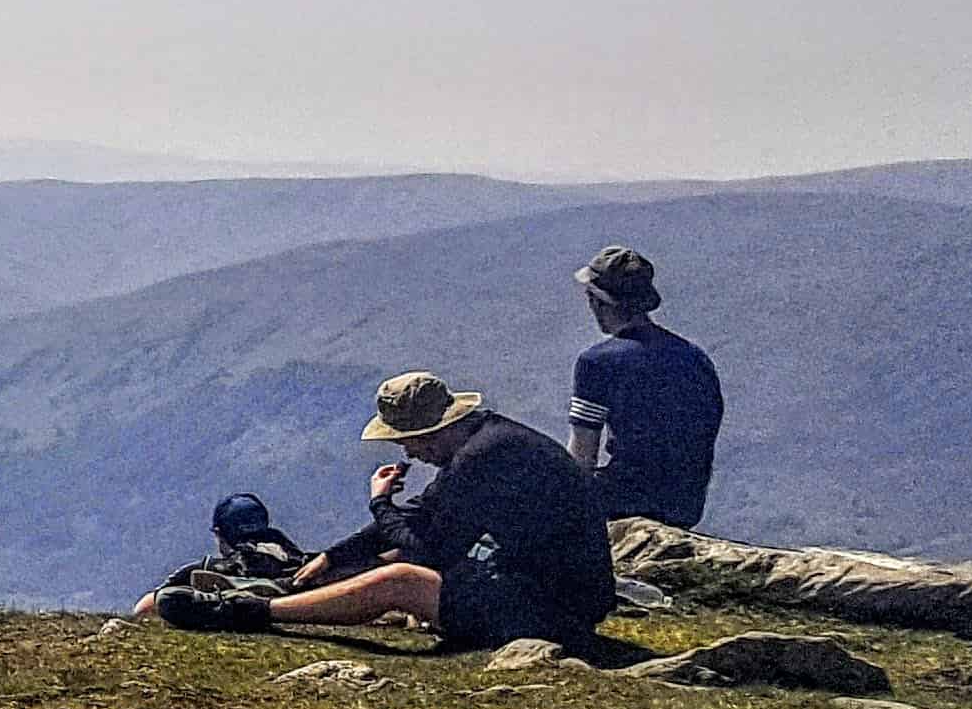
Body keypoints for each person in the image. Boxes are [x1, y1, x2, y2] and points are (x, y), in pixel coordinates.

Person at [145, 371, 620, 652]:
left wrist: (379, 502)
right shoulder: (489, 441)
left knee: (398, 580)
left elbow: (430, 550)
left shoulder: (481, 459)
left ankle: (251, 611)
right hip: (556, 593)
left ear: (431, 432)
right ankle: (298, 595)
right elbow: (424, 514)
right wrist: (332, 557)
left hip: (554, 610)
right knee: (392, 563)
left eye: (407, 442)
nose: (410, 455)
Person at [565, 243, 723, 531]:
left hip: (624, 504)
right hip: (685, 506)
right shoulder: (695, 358)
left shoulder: (597, 363)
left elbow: (581, 459)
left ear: (599, 302)